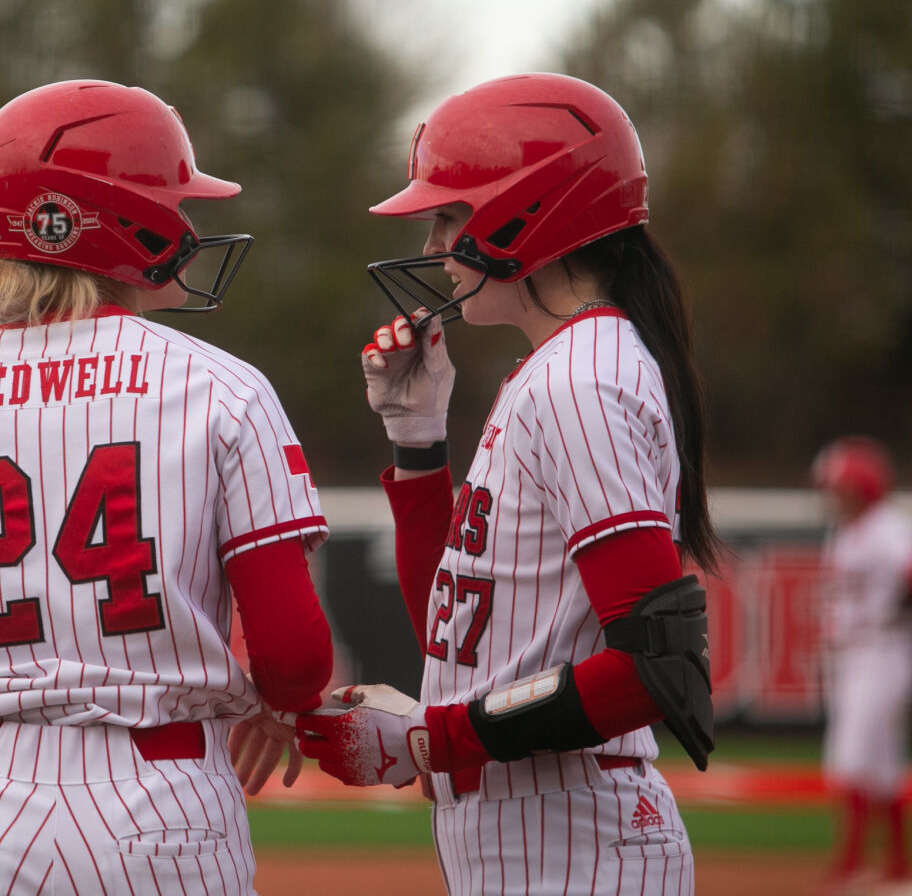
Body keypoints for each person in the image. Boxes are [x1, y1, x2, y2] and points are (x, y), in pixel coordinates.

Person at [0, 78, 334, 895]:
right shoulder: (220, 387)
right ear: (106, 216)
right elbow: (296, 658)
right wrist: (279, 697)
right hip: (161, 799)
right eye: (170, 199)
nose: (187, 225)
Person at [238, 72, 724, 894]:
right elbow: (458, 625)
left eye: (448, 214)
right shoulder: (559, 367)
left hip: (573, 840)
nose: (431, 244)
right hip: (549, 833)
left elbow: (654, 668)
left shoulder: (579, 378)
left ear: (530, 212)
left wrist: (435, 738)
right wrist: (418, 441)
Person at [812, 435, 912, 889]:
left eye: (842, 486)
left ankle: (852, 861)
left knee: (851, 755)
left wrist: (900, 605)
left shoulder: (888, 526)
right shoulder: (846, 531)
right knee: (883, 763)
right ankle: (899, 863)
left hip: (883, 651)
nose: (833, 495)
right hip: (855, 654)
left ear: (863, 487)